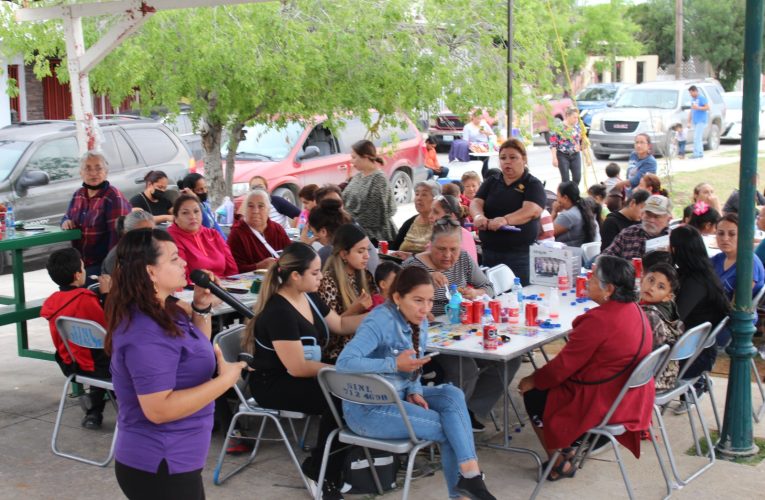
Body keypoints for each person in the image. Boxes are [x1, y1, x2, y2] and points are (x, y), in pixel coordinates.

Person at [105, 229, 246, 500]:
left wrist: (202, 308)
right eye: (174, 259)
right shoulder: (144, 333)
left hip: (179, 458)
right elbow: (158, 409)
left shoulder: (169, 309)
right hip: (159, 462)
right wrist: (226, 380)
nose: (184, 263)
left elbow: (193, 355)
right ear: (150, 272)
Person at [336, 267, 497, 500]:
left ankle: (470, 478)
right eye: (418, 300)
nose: (425, 309)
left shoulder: (419, 321)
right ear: (398, 297)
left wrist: (414, 389)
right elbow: (344, 363)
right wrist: (393, 364)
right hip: (368, 409)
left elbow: (414, 364)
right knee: (451, 429)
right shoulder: (379, 320)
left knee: (452, 394)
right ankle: (464, 491)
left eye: (430, 301)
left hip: (399, 397)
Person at [241, 242, 365, 499]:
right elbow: (297, 368)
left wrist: (384, 316)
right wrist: (340, 369)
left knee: (348, 393)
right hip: (273, 385)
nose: (321, 277)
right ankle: (320, 471)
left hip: (298, 377)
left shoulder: (308, 296)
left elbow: (340, 323)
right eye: (316, 272)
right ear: (296, 276)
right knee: (341, 397)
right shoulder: (279, 312)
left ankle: (331, 465)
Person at [518, 255, 654, 480]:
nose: (587, 281)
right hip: (627, 394)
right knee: (544, 381)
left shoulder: (600, 320)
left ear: (608, 289)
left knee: (532, 392)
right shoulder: (634, 309)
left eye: (592, 278)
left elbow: (562, 368)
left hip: (606, 400)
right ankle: (565, 449)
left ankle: (558, 463)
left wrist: (533, 380)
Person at [403, 220, 507, 431]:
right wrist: (423, 295)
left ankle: (470, 410)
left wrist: (476, 293)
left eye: (453, 249)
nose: (448, 255)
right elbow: (398, 302)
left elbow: (488, 287)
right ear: (430, 245)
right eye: (441, 249)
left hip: (463, 328)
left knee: (505, 360)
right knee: (465, 367)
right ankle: (447, 420)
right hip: (429, 337)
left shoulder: (464, 261)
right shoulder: (413, 268)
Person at [41, 248, 110, 429]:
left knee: (98, 354)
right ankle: (107, 404)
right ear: (78, 274)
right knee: (116, 356)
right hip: (99, 366)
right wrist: (106, 295)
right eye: (82, 266)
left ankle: (94, 412)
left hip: (71, 364)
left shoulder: (51, 302)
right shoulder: (85, 299)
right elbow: (109, 329)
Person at [470, 138, 546, 285]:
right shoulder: (492, 181)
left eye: (513, 157)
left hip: (519, 256)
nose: (507, 162)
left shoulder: (532, 184)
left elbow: (531, 210)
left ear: (523, 159)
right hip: (490, 252)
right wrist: (478, 216)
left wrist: (505, 220)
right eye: (503, 158)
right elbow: (476, 202)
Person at [669, 225, 730, 397]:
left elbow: (675, 318)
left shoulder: (696, 281)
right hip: (697, 348)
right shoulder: (701, 272)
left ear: (676, 249)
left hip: (691, 358)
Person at [61, 151, 132, 278]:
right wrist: (65, 222)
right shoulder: (79, 194)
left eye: (98, 168)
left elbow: (117, 237)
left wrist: (109, 271)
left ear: (106, 171)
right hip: (80, 263)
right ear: (81, 173)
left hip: (102, 265)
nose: (93, 173)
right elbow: (67, 216)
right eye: (87, 169)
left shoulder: (112, 197)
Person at [318, 224, 374, 361]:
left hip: (366, 346)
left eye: (367, 250)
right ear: (344, 254)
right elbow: (328, 333)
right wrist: (354, 309)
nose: (367, 256)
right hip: (340, 354)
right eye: (360, 251)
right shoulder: (327, 281)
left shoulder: (365, 275)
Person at [167, 194, 237, 283]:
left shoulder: (213, 234)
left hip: (224, 287)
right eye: (185, 213)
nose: (192, 216)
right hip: (193, 290)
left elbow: (232, 268)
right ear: (176, 218)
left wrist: (231, 286)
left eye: (196, 211)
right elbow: (182, 277)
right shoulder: (171, 238)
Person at [639, 262, 684, 392]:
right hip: (668, 374)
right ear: (643, 278)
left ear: (668, 297)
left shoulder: (649, 315)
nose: (652, 288)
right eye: (651, 280)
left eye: (660, 287)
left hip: (653, 377)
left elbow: (649, 353)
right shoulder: (669, 306)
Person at [342, 140, 397, 243]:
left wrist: (347, 220)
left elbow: (374, 216)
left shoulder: (379, 179)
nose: (351, 161)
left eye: (354, 157)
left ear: (366, 157)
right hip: (353, 231)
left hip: (373, 238)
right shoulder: (358, 176)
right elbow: (344, 199)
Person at [227, 189, 291, 273]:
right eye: (250, 206)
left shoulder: (277, 229)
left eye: (261, 206)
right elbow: (233, 268)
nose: (255, 211)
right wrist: (258, 266)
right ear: (244, 210)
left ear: (268, 210)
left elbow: (290, 256)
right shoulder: (237, 233)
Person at [711, 213, 765, 301]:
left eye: (732, 234)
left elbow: (738, 304)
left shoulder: (749, 263)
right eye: (720, 233)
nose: (725, 238)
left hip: (729, 313)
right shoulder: (718, 258)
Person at [602, 194, 672, 260]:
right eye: (648, 214)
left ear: (668, 219)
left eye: (656, 216)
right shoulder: (628, 233)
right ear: (642, 214)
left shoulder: (672, 239)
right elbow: (605, 257)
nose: (651, 220)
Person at [390, 181, 440, 258]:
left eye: (424, 195)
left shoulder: (441, 225)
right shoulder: (409, 223)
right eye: (417, 194)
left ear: (435, 200)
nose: (419, 198)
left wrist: (411, 257)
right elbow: (394, 249)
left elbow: (437, 256)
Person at [101, 209, 156, 275]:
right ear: (126, 233)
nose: (150, 237)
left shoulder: (154, 248)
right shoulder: (116, 258)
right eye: (143, 233)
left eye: (152, 232)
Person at [430, 194, 478, 262]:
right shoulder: (463, 232)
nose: (430, 216)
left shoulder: (446, 237)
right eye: (430, 211)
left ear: (452, 216)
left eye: (436, 212)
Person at [178, 173, 226, 240]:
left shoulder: (204, 204)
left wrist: (225, 241)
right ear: (190, 191)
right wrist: (195, 200)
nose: (204, 191)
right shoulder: (188, 208)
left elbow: (214, 224)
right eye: (199, 189)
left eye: (205, 188)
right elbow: (207, 224)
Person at [552, 181, 599, 248]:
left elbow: (547, 233)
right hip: (581, 253)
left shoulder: (567, 216)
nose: (557, 199)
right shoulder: (583, 209)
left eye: (558, 196)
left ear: (565, 198)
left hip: (568, 255)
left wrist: (554, 211)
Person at [549, 107, 583, 184]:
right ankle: (565, 194)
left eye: (577, 118)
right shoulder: (559, 127)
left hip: (575, 155)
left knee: (577, 178)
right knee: (565, 179)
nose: (576, 119)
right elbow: (553, 144)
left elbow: (579, 138)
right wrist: (554, 158)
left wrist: (581, 144)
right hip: (562, 155)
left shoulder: (577, 126)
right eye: (574, 117)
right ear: (568, 116)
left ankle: (573, 193)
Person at [462, 111, 492, 177]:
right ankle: (474, 177)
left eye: (480, 118)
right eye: (478, 118)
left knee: (484, 164)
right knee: (474, 164)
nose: (479, 120)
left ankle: (485, 178)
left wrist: (484, 132)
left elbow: (491, 133)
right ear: (473, 117)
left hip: (484, 146)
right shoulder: (468, 127)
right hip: (473, 147)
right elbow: (465, 140)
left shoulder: (483, 124)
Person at [687, 85, 709, 159]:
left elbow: (707, 107)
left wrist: (699, 108)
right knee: (698, 137)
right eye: (690, 93)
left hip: (701, 120)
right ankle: (700, 152)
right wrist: (689, 121)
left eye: (691, 93)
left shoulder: (701, 98)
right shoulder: (693, 100)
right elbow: (691, 110)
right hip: (695, 121)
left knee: (696, 137)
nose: (691, 95)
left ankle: (696, 153)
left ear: (695, 91)